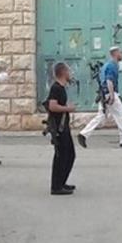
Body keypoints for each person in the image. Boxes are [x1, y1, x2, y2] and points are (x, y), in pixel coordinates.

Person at [77, 46, 122, 148]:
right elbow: (109, 81)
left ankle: (83, 134)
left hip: (104, 94)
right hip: (110, 93)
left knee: (101, 116)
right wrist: (112, 95)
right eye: (121, 52)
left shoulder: (107, 65)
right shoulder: (112, 65)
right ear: (116, 53)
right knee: (120, 116)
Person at [44, 62, 77, 195]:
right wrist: (68, 108)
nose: (70, 74)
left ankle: (62, 182)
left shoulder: (62, 88)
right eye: (68, 71)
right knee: (61, 156)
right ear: (63, 72)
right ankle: (56, 186)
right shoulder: (56, 88)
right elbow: (52, 106)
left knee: (69, 155)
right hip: (59, 127)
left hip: (64, 126)